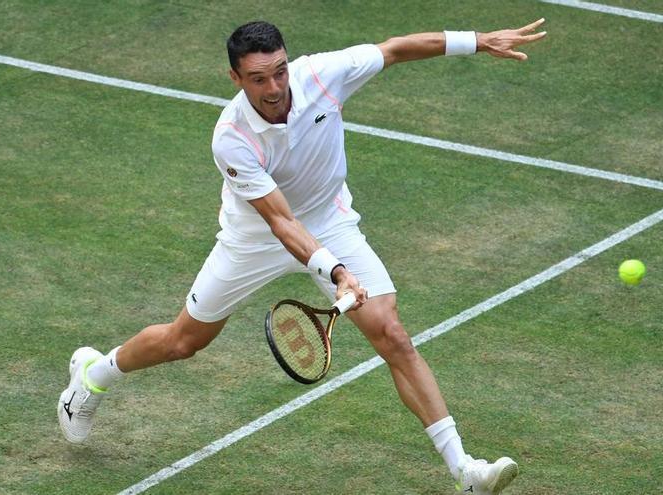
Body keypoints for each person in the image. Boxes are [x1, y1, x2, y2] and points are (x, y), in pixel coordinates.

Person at [58, 19, 546, 494]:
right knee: (183, 342)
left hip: (330, 222)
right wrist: (334, 271)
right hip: (255, 240)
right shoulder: (231, 137)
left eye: (279, 71)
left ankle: (465, 471)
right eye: (257, 78)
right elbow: (281, 223)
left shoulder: (323, 74)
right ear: (235, 78)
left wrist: (479, 41)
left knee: (392, 333)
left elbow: (396, 48)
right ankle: (92, 376)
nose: (273, 87)